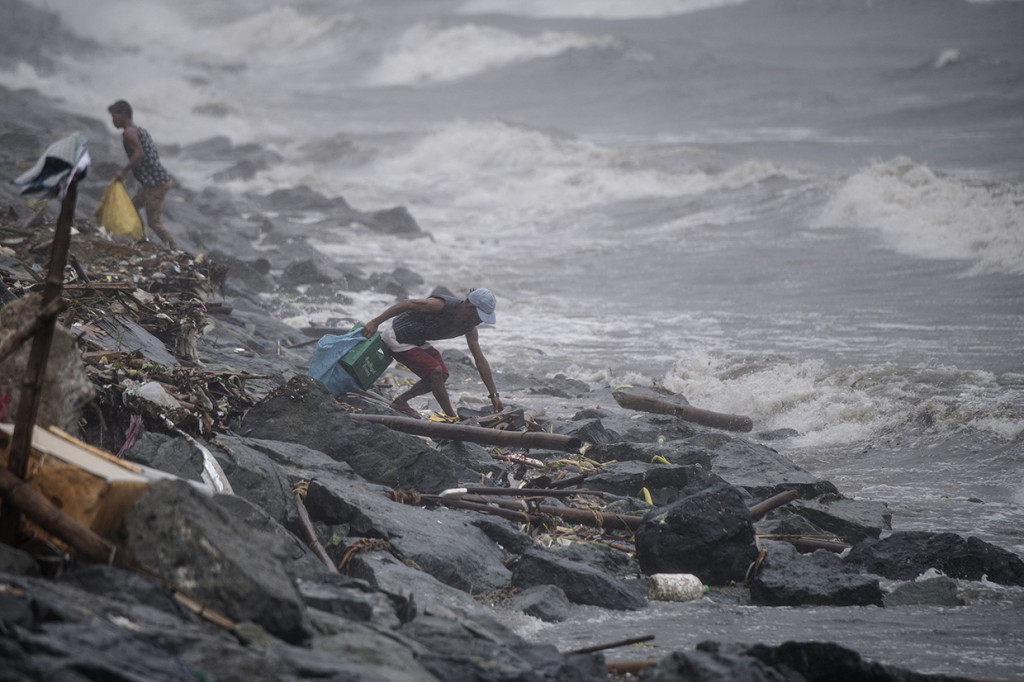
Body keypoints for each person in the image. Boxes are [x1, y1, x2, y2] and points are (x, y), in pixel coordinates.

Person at [361, 288, 504, 419]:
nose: (480, 321)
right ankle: (451, 417)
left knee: (442, 375)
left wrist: (494, 395)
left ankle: (400, 402)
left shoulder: (470, 328)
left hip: (416, 340)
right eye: (480, 316)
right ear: (470, 307)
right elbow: (407, 303)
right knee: (435, 371)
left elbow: (479, 360)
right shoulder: (440, 305)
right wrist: (375, 322)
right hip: (397, 336)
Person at [107, 100, 178, 250]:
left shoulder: (129, 132)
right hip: (150, 182)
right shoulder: (138, 130)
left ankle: (175, 248)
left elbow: (139, 152)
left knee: (154, 222)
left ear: (124, 114)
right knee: (132, 208)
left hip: (156, 183)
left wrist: (123, 171)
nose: (112, 120)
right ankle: (143, 240)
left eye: (114, 116)